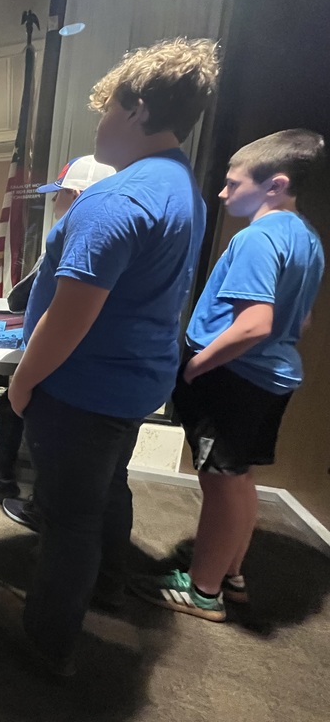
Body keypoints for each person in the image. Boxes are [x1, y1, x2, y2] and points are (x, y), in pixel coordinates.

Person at [0, 38, 220, 676]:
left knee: (67, 521)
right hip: (133, 382)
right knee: (107, 491)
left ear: (138, 110)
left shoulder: (115, 199)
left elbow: (68, 318)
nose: (100, 122)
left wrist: (21, 385)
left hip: (83, 388)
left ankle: (46, 641)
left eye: (107, 108)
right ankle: (109, 588)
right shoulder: (183, 190)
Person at [131, 129, 326, 621]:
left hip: (234, 379)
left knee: (219, 484)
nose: (223, 193)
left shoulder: (257, 237)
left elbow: (255, 323)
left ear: (275, 184)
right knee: (239, 480)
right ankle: (230, 572)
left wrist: (196, 365)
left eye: (233, 183)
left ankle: (203, 590)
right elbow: (299, 320)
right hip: (270, 378)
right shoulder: (305, 236)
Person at [0, 156, 116, 535]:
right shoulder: (88, 231)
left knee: (47, 434)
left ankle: (42, 507)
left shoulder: (79, 234)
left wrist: (25, 378)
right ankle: (9, 481)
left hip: (62, 364)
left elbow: (23, 300)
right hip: (65, 361)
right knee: (12, 412)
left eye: (58, 194)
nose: (53, 201)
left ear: (76, 194)